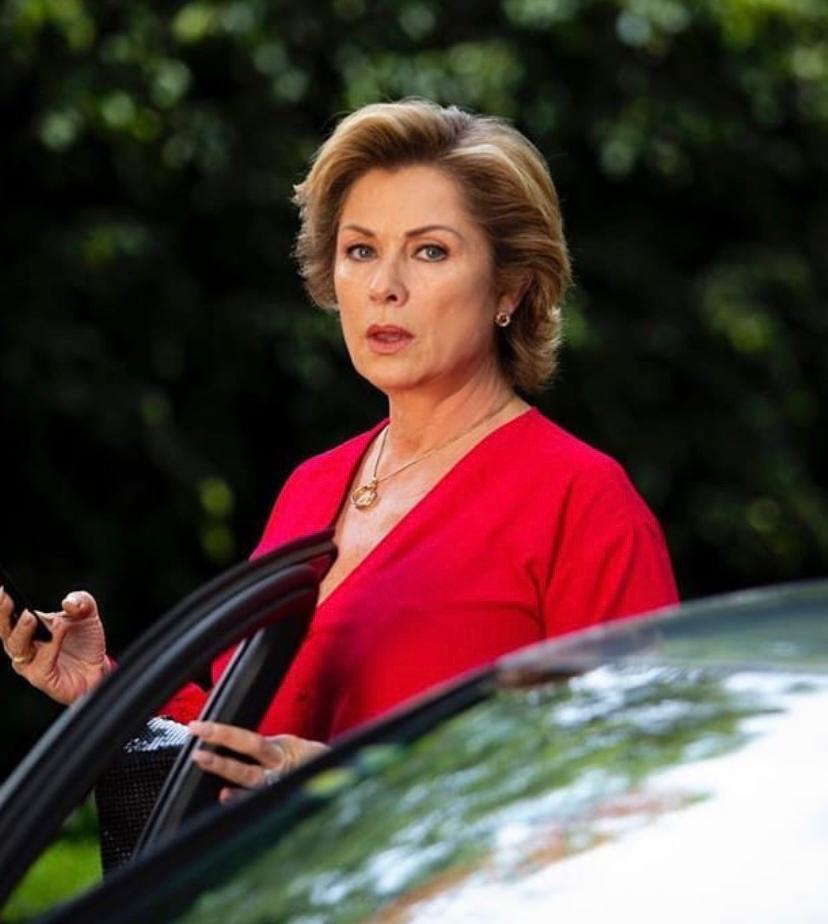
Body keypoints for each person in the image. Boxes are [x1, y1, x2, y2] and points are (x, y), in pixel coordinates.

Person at [0, 99, 678, 799]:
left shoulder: (582, 501)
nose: (385, 287)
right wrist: (103, 692)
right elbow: (237, 747)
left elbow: (634, 776)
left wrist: (349, 787)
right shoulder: (312, 487)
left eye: (430, 251)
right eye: (361, 251)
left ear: (511, 285)